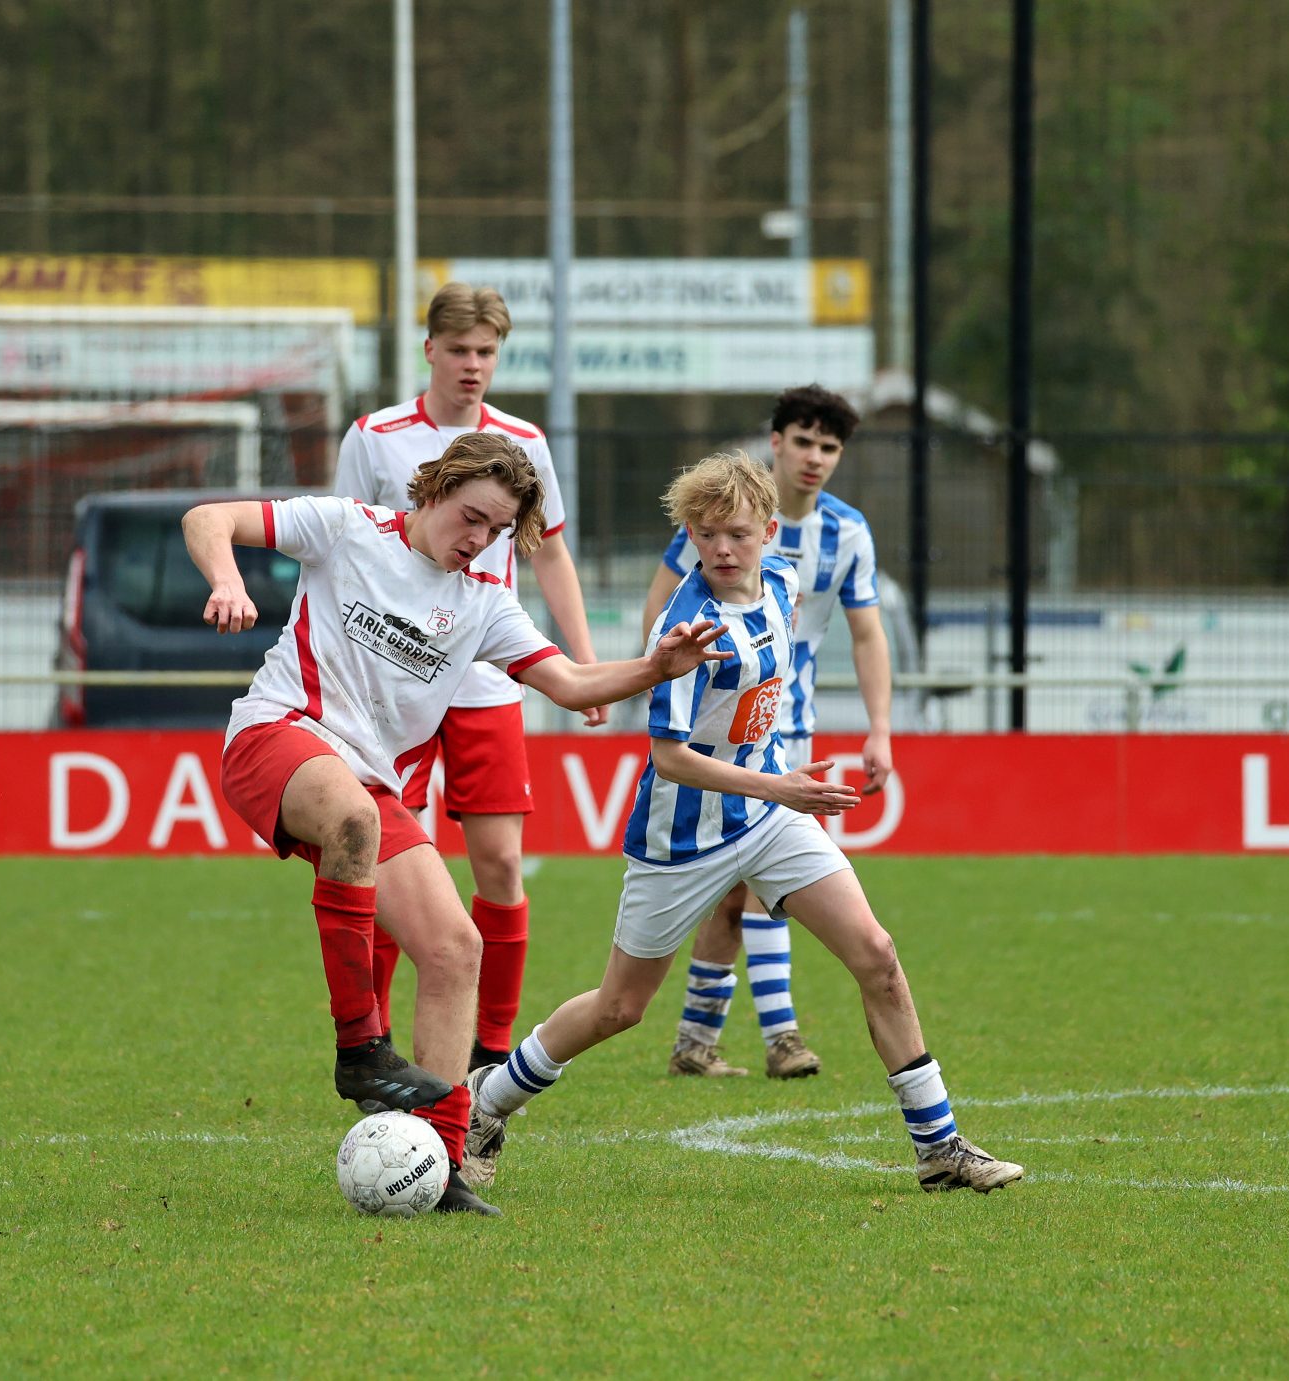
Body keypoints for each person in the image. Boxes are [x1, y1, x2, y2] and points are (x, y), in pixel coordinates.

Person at [189, 432, 725, 1216]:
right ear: (433, 490)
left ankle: (441, 1164)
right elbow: (208, 516)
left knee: (454, 947)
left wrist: (653, 668)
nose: (478, 540)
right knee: (354, 820)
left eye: (496, 530)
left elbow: (573, 684)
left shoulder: (481, 603)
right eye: (471, 517)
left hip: (367, 787)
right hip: (276, 735)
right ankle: (359, 1048)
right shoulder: (345, 527)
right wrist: (228, 579)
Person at [464, 451, 1022, 1196]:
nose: (720, 549)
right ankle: (485, 1102)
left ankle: (939, 1145)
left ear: (766, 530)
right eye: (704, 533)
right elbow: (669, 758)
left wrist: (777, 784)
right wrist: (778, 783)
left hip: (766, 811)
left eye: (734, 533)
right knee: (619, 1008)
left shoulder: (785, 581)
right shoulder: (688, 628)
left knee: (878, 955)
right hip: (684, 837)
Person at [331, 282, 604, 1077]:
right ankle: (375, 1045)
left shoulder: (523, 443)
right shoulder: (375, 437)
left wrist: (580, 661)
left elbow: (547, 553)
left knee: (500, 866)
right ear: (430, 350)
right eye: (459, 349)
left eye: (487, 351)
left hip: (484, 674)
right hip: (390, 678)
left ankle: (490, 1051)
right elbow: (345, 550)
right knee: (383, 854)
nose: (473, 364)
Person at [640, 385, 893, 1082]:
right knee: (735, 886)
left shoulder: (846, 533)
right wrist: (667, 687)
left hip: (791, 725)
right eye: (803, 441)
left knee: (769, 880)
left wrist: (880, 728)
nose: (815, 458)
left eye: (829, 446)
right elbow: (661, 609)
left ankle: (771, 1035)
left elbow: (867, 633)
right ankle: (706, 1038)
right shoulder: (722, 517)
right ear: (775, 441)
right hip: (722, 723)